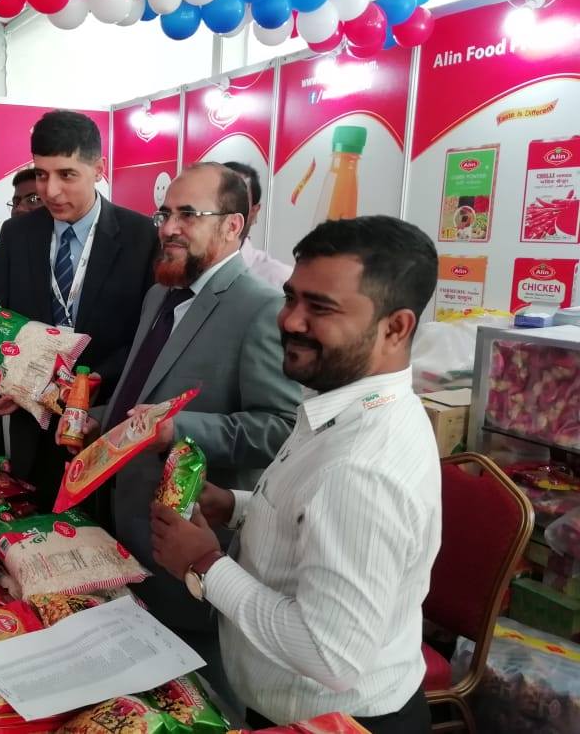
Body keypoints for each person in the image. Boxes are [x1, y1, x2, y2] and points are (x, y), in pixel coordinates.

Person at [150, 216, 441, 733]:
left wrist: (205, 565)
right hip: (289, 705)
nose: (289, 321)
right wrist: (235, 506)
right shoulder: (344, 405)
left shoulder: (362, 466)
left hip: (337, 720)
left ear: (395, 328)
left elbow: (329, 654)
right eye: (291, 298)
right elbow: (313, 516)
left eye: (320, 308)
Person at [64, 162, 299, 688]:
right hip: (123, 521)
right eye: (164, 214)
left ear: (232, 225)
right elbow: (142, 393)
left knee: (198, 690)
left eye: (188, 215)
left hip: (190, 539)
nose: (168, 228)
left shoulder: (260, 308)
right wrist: (96, 421)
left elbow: (281, 428)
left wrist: (179, 429)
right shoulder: (160, 295)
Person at [0, 109, 158, 512]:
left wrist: (90, 387)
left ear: (99, 169)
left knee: (97, 536)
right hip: (29, 422)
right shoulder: (17, 233)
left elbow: (147, 335)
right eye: (41, 174)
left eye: (66, 175)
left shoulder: (141, 237)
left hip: (101, 425)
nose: (51, 191)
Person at [223, 161, 292, 289]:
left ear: (254, 212)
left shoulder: (280, 279)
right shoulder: (186, 271)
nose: (223, 210)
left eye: (236, 201)